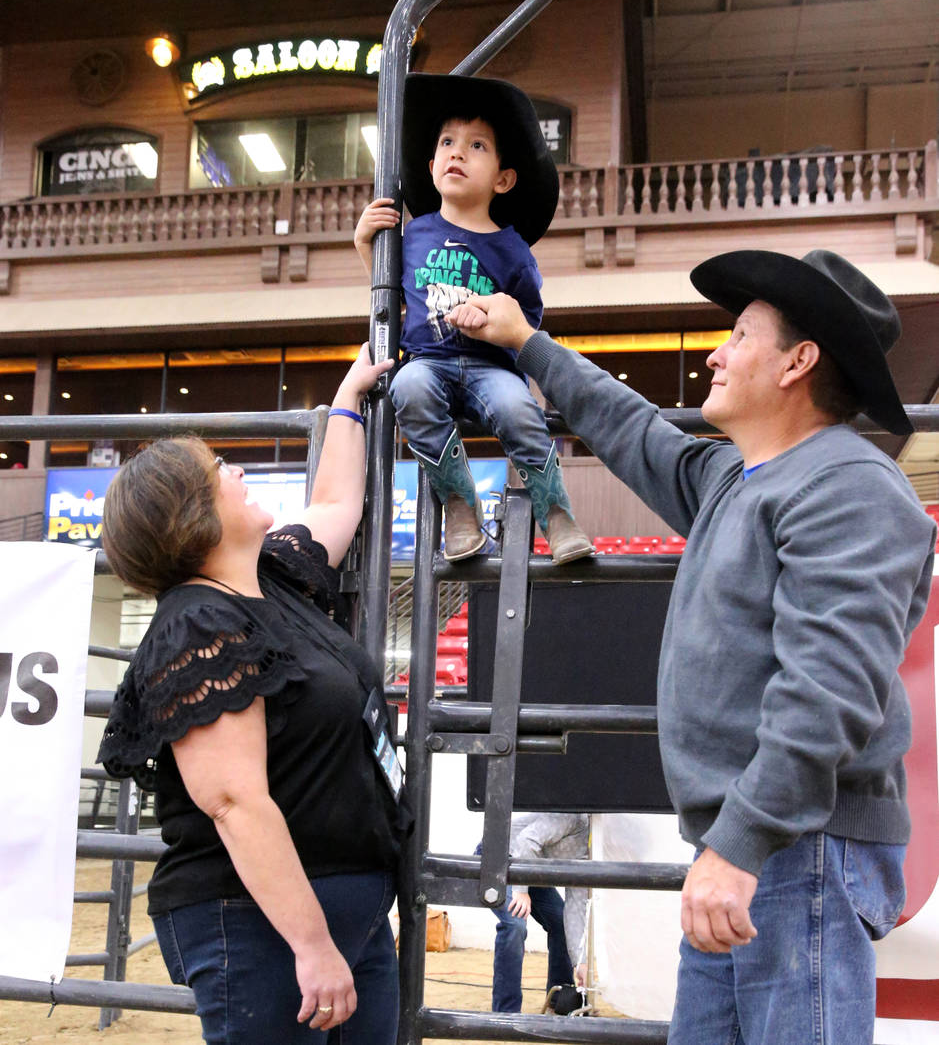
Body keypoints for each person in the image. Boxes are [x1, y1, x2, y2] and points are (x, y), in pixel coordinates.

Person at [445, 249, 937, 1044]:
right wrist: (525, 342)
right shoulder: (734, 479)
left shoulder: (848, 487)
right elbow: (630, 427)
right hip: (760, 843)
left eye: (739, 334)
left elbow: (829, 687)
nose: (715, 350)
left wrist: (739, 845)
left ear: (797, 362)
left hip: (794, 845)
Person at [96, 344, 407, 1045]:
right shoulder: (196, 626)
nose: (235, 471)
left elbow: (335, 501)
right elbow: (234, 803)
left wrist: (349, 398)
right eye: (217, 472)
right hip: (264, 925)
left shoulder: (275, 577)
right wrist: (312, 945)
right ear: (190, 516)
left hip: (341, 913)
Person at [353, 73, 592, 565]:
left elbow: (527, 316)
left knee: (518, 409)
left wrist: (488, 315)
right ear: (432, 164)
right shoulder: (413, 235)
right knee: (409, 388)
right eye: (447, 143)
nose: (457, 153)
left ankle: (557, 514)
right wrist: (365, 248)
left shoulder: (512, 248)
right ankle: (459, 504)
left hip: (491, 367)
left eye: (476, 146)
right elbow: (392, 302)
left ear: (503, 179)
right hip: (429, 360)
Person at [482, 812, 589, 1013]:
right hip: (500, 859)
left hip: (530, 868)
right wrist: (521, 891)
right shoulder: (573, 818)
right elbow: (526, 841)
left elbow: (575, 909)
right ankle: (506, 1013)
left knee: (559, 921)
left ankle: (559, 1000)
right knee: (515, 924)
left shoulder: (591, 851)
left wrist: (579, 962)